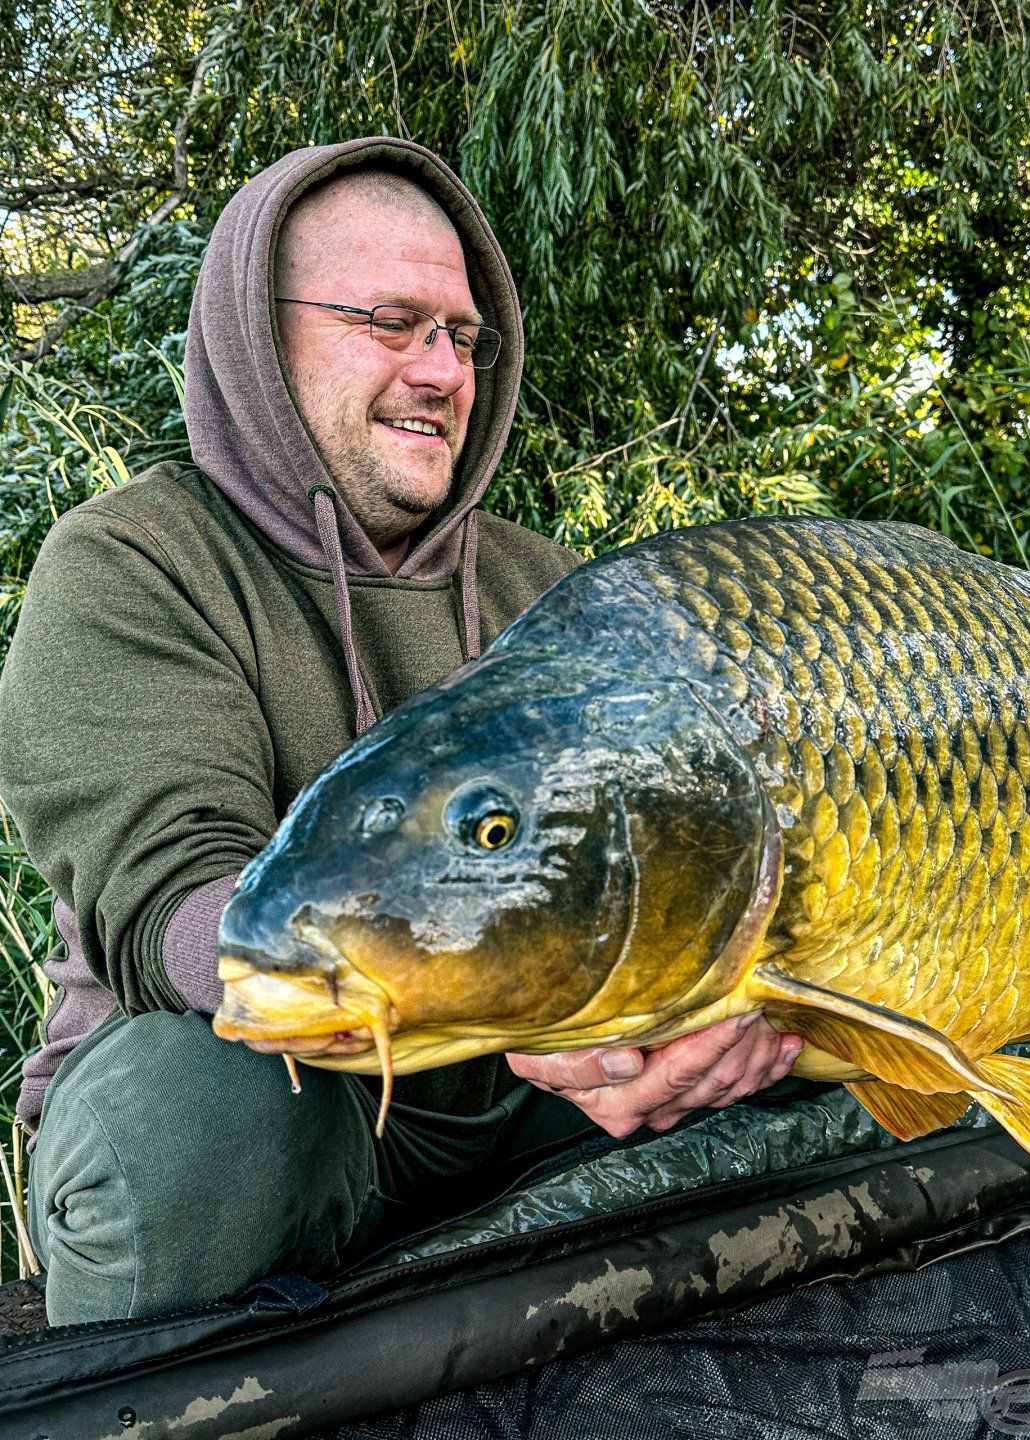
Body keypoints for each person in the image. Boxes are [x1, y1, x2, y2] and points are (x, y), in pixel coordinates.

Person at [0, 139, 802, 1326]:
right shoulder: (130, 563)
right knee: (196, 1115)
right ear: (259, 340)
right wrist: (456, 988)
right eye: (392, 320)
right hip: (285, 1094)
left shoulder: (555, 587)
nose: (443, 370)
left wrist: (699, 1021)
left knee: (858, 1037)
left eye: (464, 337)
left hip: (532, 1081)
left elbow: (690, 849)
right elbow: (169, 899)